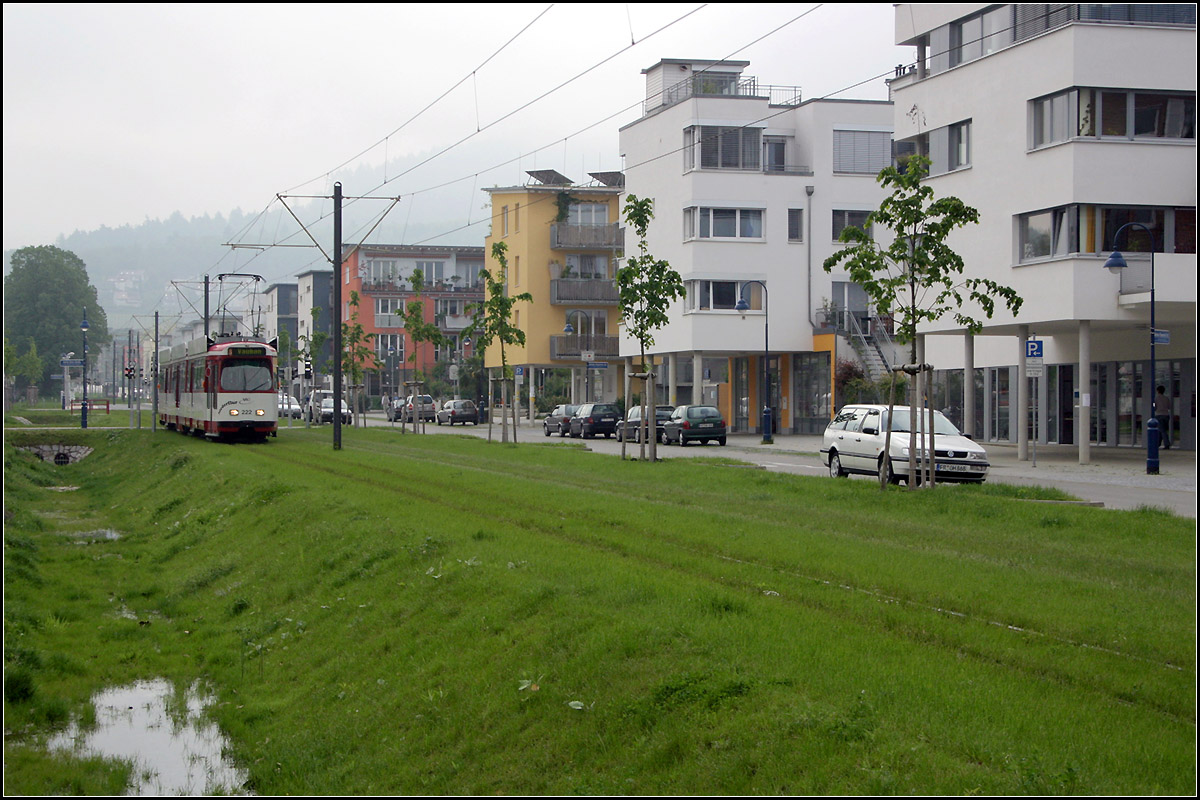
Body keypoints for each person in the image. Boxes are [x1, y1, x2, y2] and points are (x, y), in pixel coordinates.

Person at [1154, 385, 1172, 449]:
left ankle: (1167, 444)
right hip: (1166, 415)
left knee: (1162, 430)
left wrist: (1154, 407)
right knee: (1161, 430)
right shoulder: (1166, 398)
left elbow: (1154, 406)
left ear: (1158, 391)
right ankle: (1158, 443)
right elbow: (1169, 406)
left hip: (1158, 415)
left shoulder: (1155, 398)